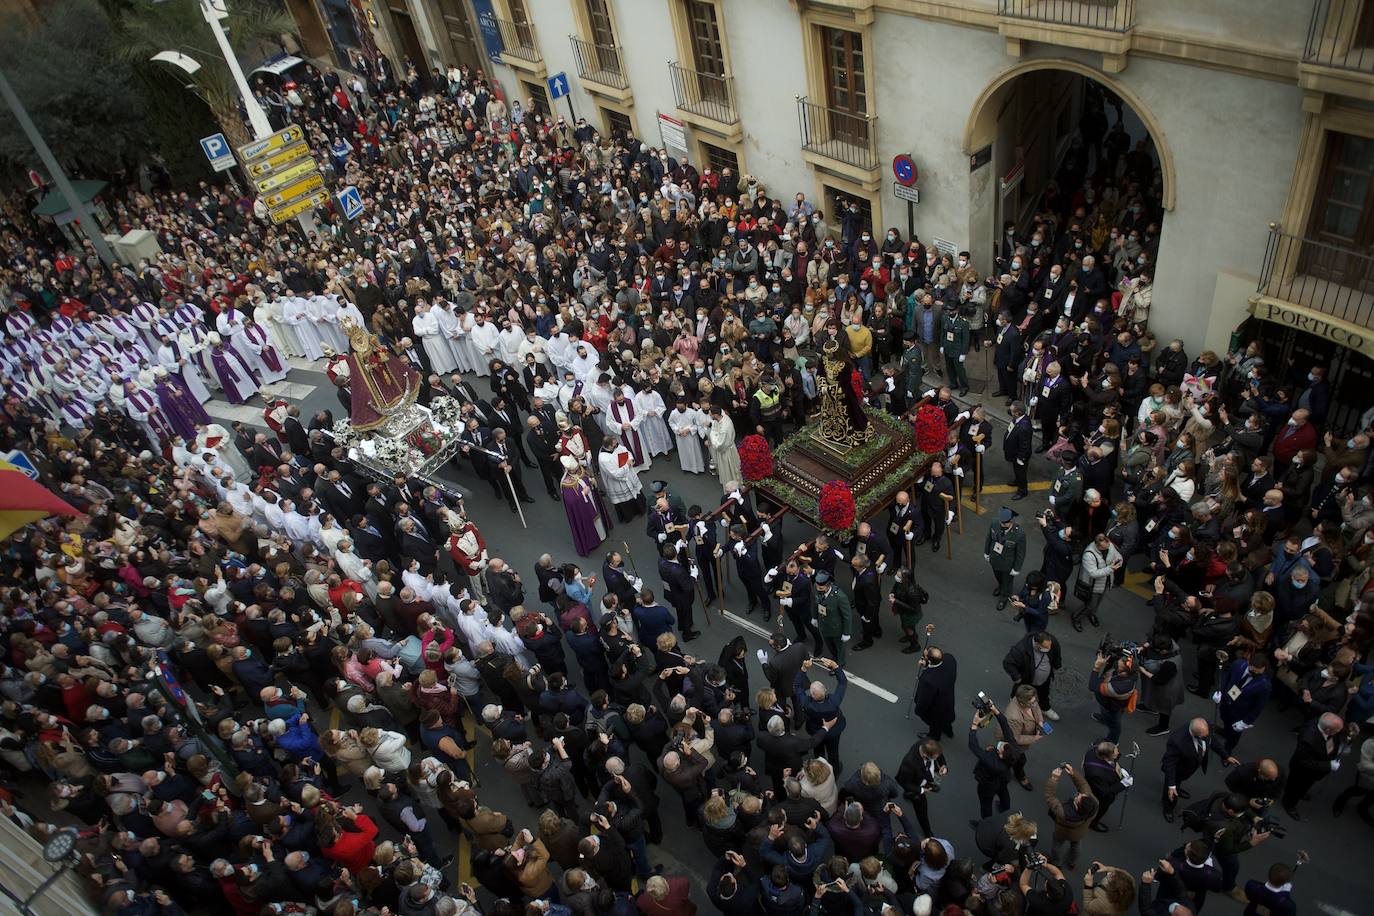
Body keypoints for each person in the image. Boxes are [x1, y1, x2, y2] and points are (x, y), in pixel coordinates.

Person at [969, 699, 1019, 818]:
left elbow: (974, 746)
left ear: (1000, 755)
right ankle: (1005, 808)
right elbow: (1005, 725)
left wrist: (974, 724)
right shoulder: (1013, 749)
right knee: (1003, 792)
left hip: (988, 785)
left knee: (986, 803)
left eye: (1000, 747)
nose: (1001, 743)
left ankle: (986, 823)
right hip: (1004, 778)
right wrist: (995, 710)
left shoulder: (992, 763)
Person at [559, 455, 613, 556]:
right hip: (582, 508)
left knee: (597, 518)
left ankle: (602, 535)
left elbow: (586, 479)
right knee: (589, 522)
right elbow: (571, 501)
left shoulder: (580, 471)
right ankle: (593, 541)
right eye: (574, 469)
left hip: (592, 500)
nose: (577, 470)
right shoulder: (566, 483)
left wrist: (591, 482)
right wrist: (583, 493)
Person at [1003, 631, 1062, 722]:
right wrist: (1017, 677)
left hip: (1044, 679)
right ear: (1037, 644)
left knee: (1044, 694)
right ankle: (1016, 706)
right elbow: (1008, 663)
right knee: (1021, 694)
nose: (1050, 648)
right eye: (1046, 647)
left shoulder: (1051, 641)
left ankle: (1045, 708)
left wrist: (1057, 665)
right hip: (1027, 679)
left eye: (1050, 645)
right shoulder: (1020, 649)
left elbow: (1056, 654)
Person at [985, 506, 1026, 610]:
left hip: (1008, 563)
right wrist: (986, 552)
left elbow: (1021, 553)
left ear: (1011, 521)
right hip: (995, 558)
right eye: (1001, 522)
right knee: (998, 575)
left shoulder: (1019, 533)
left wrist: (1016, 568)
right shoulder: (994, 523)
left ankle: (1004, 596)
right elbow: (989, 538)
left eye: (1005, 523)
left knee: (1007, 581)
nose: (1002, 525)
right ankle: (1001, 586)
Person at [911, 645, 957, 738]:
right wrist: (927, 665)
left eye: (925, 656)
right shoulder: (950, 659)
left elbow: (924, 699)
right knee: (946, 720)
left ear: (929, 661)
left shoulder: (928, 680)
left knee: (935, 724)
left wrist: (918, 710)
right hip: (948, 700)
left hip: (936, 709)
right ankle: (948, 731)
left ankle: (934, 737)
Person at [599, 435, 645, 523]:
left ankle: (640, 508)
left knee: (635, 493)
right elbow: (614, 474)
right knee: (624, 500)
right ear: (608, 446)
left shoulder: (616, 445)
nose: (616, 446)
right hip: (617, 482)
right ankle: (629, 515)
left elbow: (626, 452)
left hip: (628, 474)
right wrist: (627, 465)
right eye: (614, 445)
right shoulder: (603, 458)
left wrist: (630, 459)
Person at [813, 571, 852, 665]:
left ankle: (840, 663)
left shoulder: (839, 597)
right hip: (824, 625)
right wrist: (814, 617)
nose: (818, 589)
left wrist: (846, 632)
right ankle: (834, 657)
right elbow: (816, 603)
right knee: (829, 645)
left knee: (839, 648)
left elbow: (847, 616)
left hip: (836, 628)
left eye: (821, 588)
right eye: (817, 587)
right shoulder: (817, 588)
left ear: (828, 586)